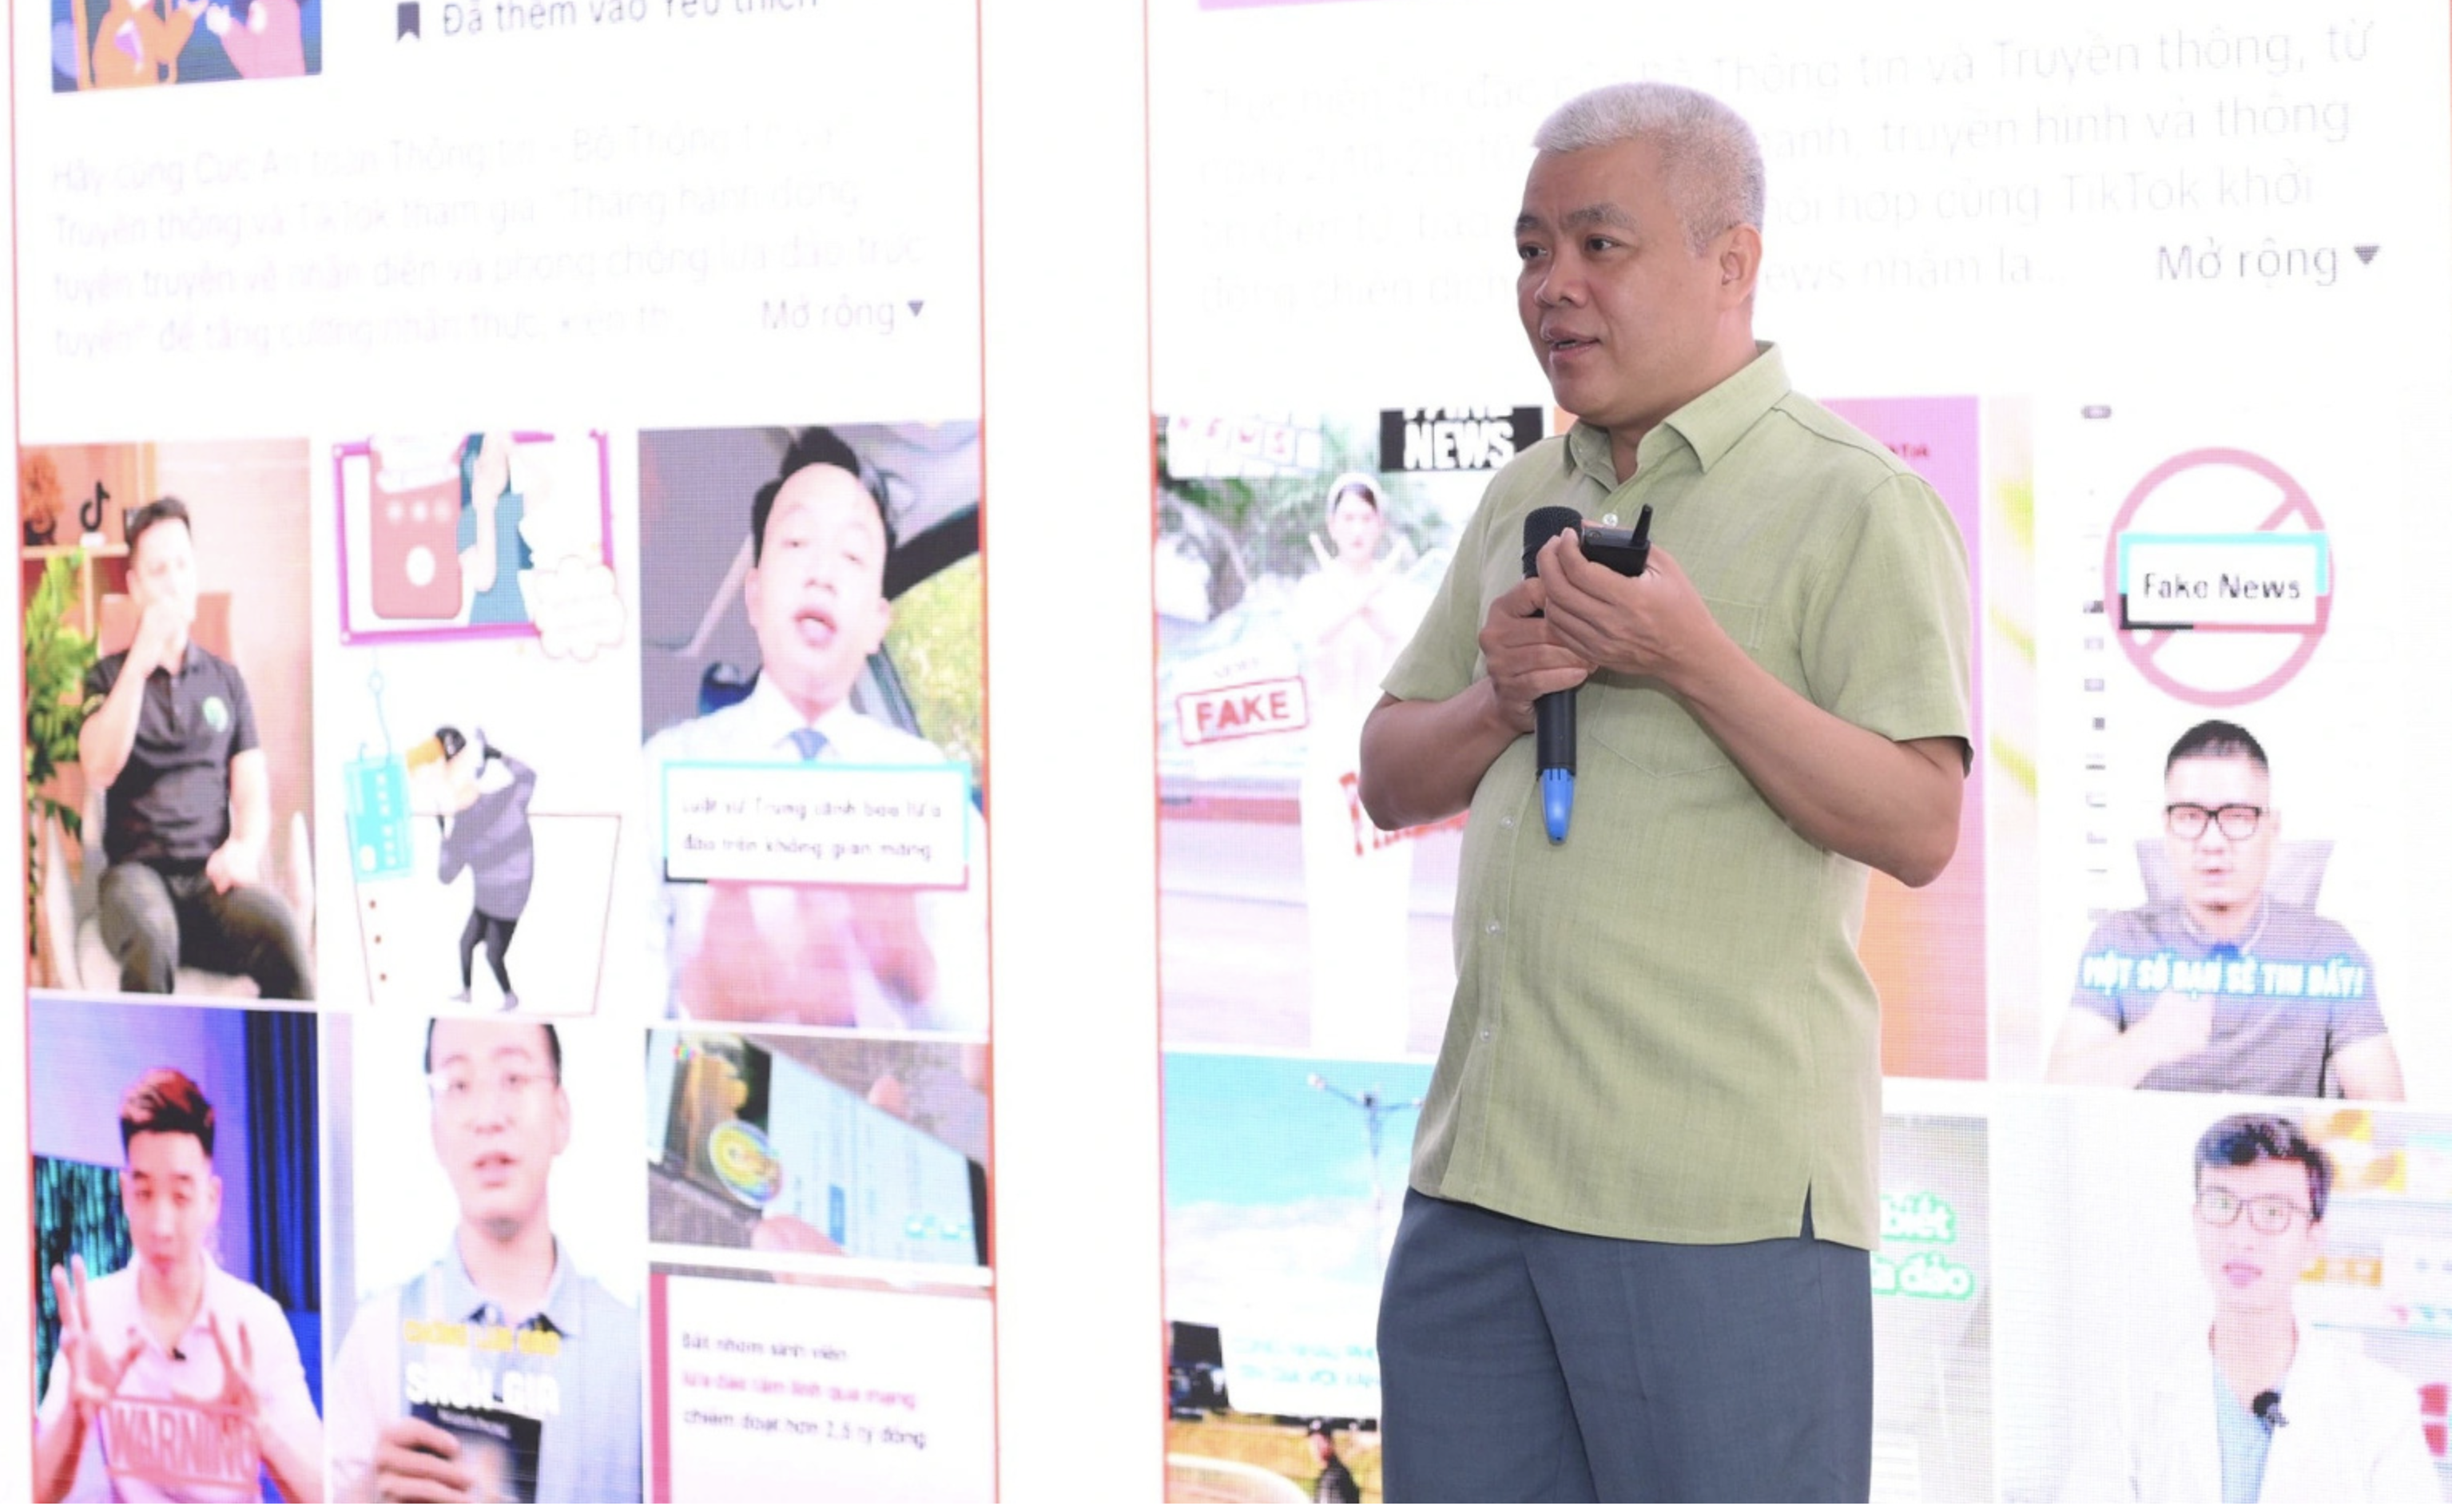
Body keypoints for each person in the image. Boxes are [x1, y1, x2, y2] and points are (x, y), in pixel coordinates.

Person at [1358, 83, 1971, 1502]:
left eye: (1595, 245)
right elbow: (1390, 776)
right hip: (1475, 1190)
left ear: (1728, 262)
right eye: (1528, 249)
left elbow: (1916, 823)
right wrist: (1493, 701)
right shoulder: (1523, 491)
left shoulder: (1853, 502)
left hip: (1717, 1211)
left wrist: (1690, 660)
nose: (1548, 287)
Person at [640, 427, 988, 1032]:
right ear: (754, 594)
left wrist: (916, 971)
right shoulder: (662, 771)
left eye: (852, 556)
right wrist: (700, 1006)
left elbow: (993, 1032)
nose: (822, 573)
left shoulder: (930, 790)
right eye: (797, 543)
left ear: (879, 620)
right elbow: (618, 1011)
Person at [328, 1019, 642, 1503]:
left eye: (514, 1079)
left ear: (562, 1117)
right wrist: (367, 1497)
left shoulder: (636, 1353)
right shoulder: (378, 1336)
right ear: (434, 1130)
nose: (487, 1115)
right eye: (457, 1085)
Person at [2065, 1113, 2439, 1501]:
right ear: (2196, 1221)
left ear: (2313, 1240)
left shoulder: (2381, 1404)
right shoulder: (2132, 1391)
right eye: (2222, 1204)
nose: (2242, 1237)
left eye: (2274, 1213)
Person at [2050, 721, 2402, 1099]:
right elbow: (2055, 1102)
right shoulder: (2121, 942)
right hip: (2150, 1155)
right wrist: (2148, 1040)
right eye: (2190, 816)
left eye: (2237, 816)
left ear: (2272, 828)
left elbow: (2387, 1115)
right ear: (2166, 829)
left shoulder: (2328, 951)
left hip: (2283, 1155)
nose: (2213, 842)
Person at [34, 1068, 323, 1503]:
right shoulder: (95, 1313)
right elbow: (34, 1494)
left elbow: (324, 1496)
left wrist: (262, 1431)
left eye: (182, 1196)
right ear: (126, 1195)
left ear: (212, 1200)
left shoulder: (256, 1320)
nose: (162, 1227)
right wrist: (76, 1418)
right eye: (145, 1194)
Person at [78, 498, 312, 999]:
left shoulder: (226, 680)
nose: (174, 580)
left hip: (210, 880)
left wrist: (244, 849)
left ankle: (283, 1070)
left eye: (183, 564)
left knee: (282, 931)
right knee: (152, 936)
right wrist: (139, 663)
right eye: (159, 570)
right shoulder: (107, 677)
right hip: (135, 879)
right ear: (135, 587)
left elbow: (251, 791)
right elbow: (99, 767)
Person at [1290, 475, 1429, 1056]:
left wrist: (1369, 608)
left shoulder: (1399, 593)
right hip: (1327, 764)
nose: (1355, 529)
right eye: (1346, 519)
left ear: (1379, 526)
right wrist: (1349, 608)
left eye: (1365, 519)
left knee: (1383, 903)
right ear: (1332, 526)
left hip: (1385, 761)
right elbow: (1306, 644)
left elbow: (1411, 650)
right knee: (1332, 901)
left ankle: (1384, 1044)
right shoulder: (1310, 592)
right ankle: (1333, 1042)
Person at [426, 728, 538, 1012]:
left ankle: (510, 998)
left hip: (508, 901)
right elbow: (446, 875)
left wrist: (497, 755)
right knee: (466, 944)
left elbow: (529, 777)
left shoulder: (504, 801)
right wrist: (445, 835)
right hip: (487, 899)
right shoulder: (462, 827)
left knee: (492, 955)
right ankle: (466, 993)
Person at [1305, 1419, 1361, 1504]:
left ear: (1331, 1442)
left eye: (1320, 1441)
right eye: (1313, 1442)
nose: (1316, 1447)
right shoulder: (1327, 1475)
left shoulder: (1336, 1477)